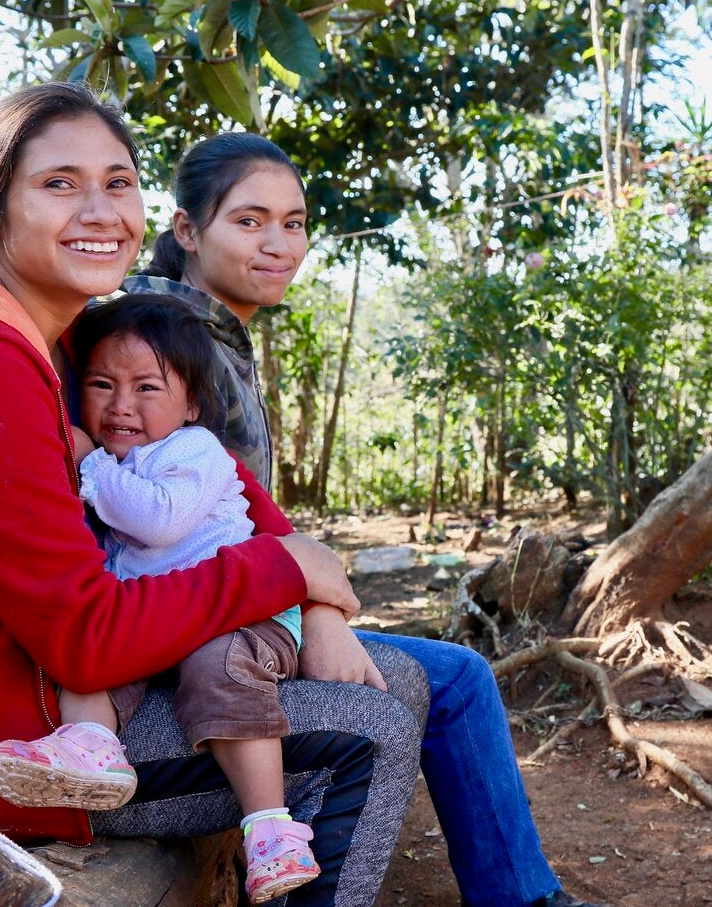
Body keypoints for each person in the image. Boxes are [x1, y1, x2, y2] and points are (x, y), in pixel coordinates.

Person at [0, 83, 425, 907]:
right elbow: (85, 641)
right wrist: (286, 571)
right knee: (375, 725)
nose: (100, 210)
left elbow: (214, 467)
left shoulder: (57, 332)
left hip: (63, 694)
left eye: (119, 181)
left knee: (395, 680)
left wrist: (313, 588)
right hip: (14, 747)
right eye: (59, 184)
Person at [123, 131, 608, 907]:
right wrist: (313, 608)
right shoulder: (169, 341)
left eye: (294, 222)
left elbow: (243, 512)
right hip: (183, 635)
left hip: (230, 610)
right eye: (248, 222)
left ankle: (516, 893)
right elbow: (176, 520)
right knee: (450, 678)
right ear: (187, 231)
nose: (279, 244)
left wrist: (313, 597)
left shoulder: (207, 329)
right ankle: (518, 898)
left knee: (452, 675)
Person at [0, 294, 320, 903]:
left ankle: (270, 827)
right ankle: (92, 750)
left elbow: (159, 521)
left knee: (219, 669)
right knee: (90, 653)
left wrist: (90, 465)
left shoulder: (193, 453)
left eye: (146, 388)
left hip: (243, 619)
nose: (120, 407)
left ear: (190, 404)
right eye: (101, 384)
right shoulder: (119, 463)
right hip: (165, 616)